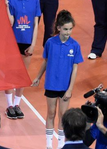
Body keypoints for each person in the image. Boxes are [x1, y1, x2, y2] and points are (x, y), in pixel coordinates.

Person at [31, 10, 83, 149]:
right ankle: (49, 144)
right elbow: (46, 61)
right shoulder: (50, 43)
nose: (68, 32)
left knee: (63, 115)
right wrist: (38, 77)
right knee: (51, 113)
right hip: (51, 84)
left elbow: (75, 68)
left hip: (65, 87)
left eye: (70, 29)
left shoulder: (75, 45)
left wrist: (70, 89)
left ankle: (60, 145)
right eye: (65, 29)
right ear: (59, 28)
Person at [4, 0, 41, 120]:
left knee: (22, 75)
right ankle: (9, 106)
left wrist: (33, 44)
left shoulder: (35, 1)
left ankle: (17, 104)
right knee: (10, 74)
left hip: (27, 43)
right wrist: (7, 8)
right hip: (13, 42)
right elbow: (11, 23)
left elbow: (36, 24)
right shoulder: (11, 0)